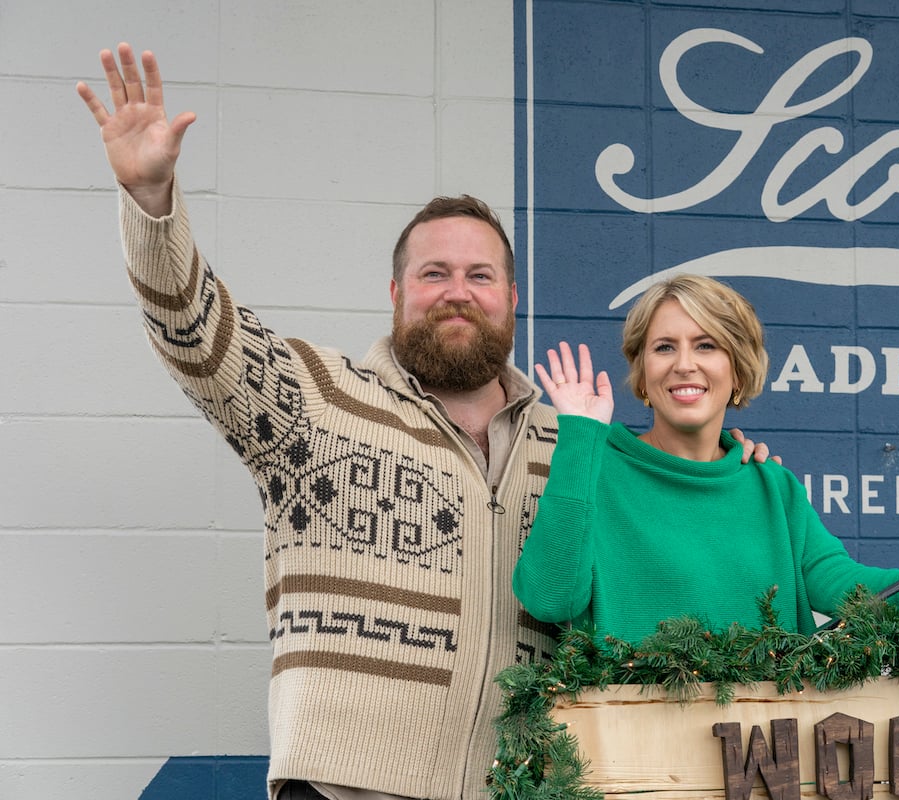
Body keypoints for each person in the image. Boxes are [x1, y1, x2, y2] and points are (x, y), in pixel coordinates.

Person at [76, 44, 775, 800]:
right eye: (433, 274)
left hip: (519, 789)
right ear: (396, 292)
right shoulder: (316, 401)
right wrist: (152, 204)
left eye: (480, 276)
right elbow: (196, 334)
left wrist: (737, 469)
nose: (456, 293)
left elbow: (676, 521)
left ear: (512, 298)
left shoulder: (575, 444)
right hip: (345, 787)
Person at [513, 274, 899, 643]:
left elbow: (850, 592)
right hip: (633, 765)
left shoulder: (773, 487)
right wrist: (580, 437)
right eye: (664, 347)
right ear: (643, 374)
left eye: (706, 345)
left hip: (759, 765)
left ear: (738, 371)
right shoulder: (596, 468)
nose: (685, 363)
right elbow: (550, 598)